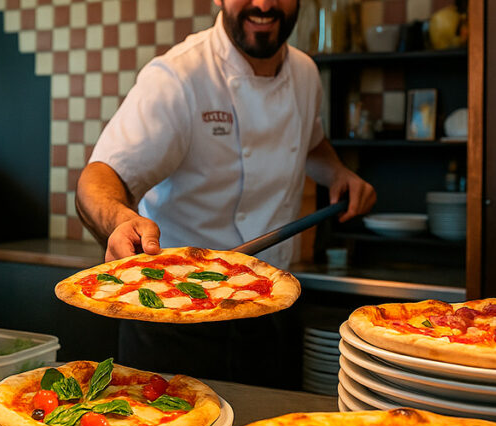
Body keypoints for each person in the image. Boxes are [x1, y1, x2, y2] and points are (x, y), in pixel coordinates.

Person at [75, 0, 376, 387]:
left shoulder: (305, 73)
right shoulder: (177, 77)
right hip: (176, 311)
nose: (264, 4)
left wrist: (337, 173)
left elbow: (311, 142)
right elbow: (99, 177)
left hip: (271, 306)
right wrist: (120, 219)